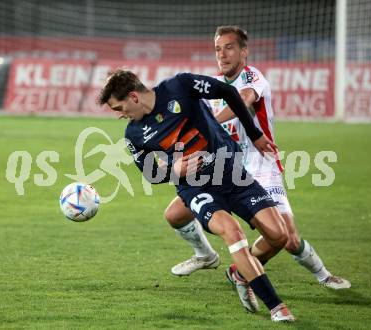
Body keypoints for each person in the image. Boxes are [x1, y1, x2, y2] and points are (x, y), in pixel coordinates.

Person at [165, 25, 351, 309]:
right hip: (224, 167)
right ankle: (205, 255)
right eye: (218, 49)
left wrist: (212, 121)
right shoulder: (210, 86)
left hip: (261, 166)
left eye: (229, 47)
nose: (223, 54)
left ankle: (314, 275)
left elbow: (244, 98)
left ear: (243, 51)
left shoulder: (253, 77)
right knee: (175, 214)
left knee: (287, 237)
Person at [98, 69, 295, 322]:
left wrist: (255, 135)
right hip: (196, 187)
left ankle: (240, 274)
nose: (120, 115)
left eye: (119, 108)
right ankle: (277, 307)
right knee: (232, 232)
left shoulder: (180, 85)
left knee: (279, 236)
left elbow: (228, 92)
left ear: (134, 97)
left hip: (232, 173)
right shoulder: (134, 134)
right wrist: (173, 170)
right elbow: (150, 174)